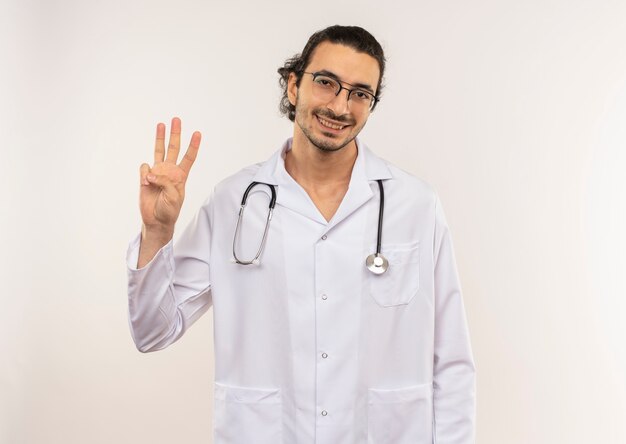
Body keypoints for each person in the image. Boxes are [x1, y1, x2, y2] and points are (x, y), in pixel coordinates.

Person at [127, 25, 475, 444]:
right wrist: (157, 232)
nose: (341, 106)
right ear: (294, 85)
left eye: (360, 93)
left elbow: (452, 361)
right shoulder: (234, 202)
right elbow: (151, 331)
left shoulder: (415, 205)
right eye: (326, 83)